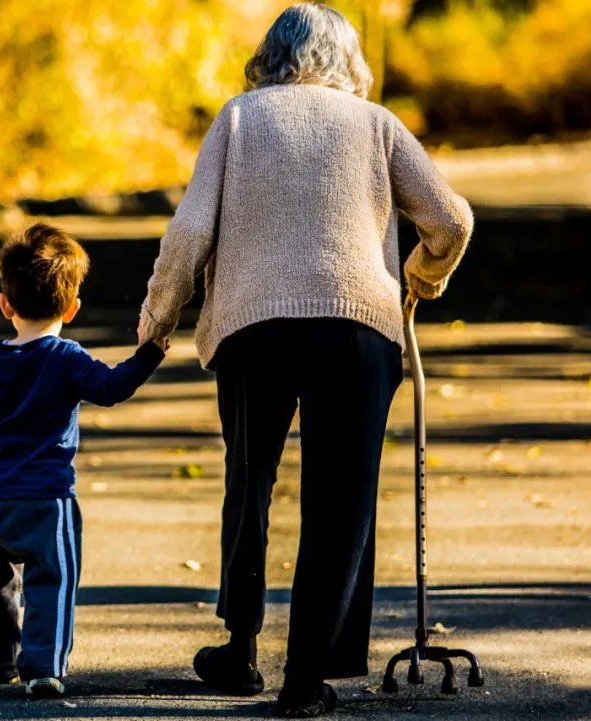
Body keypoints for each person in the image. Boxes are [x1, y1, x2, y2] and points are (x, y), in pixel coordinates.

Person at [137, 4, 472, 717]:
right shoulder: (377, 124)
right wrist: (420, 278)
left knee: (249, 480)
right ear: (347, 60)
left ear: (271, 54)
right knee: (340, 500)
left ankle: (240, 649)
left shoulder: (238, 118)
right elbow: (451, 218)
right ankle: (305, 677)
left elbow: (192, 227)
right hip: (358, 331)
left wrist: (156, 321)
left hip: (253, 329)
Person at [0, 222, 167, 698]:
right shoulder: (66, 357)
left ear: (5, 305)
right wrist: (149, 353)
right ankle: (43, 666)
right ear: (72, 308)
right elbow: (110, 389)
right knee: (53, 580)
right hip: (47, 498)